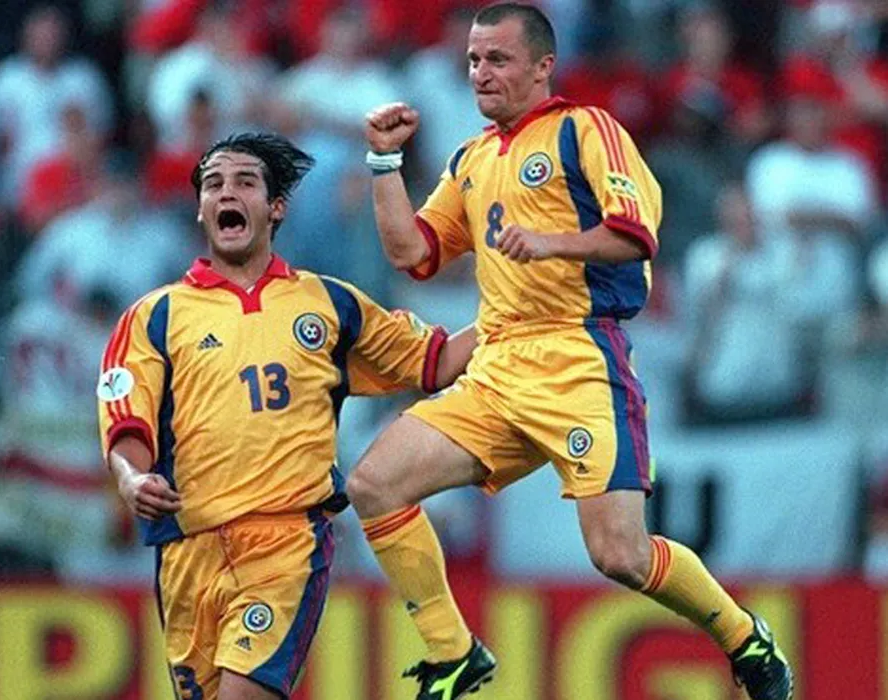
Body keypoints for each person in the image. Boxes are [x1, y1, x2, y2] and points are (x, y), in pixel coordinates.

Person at [349, 4, 793, 700]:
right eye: (473, 60)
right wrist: (383, 161)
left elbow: (635, 235)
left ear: (542, 66)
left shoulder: (586, 130)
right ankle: (453, 650)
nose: (480, 73)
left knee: (620, 554)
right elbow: (415, 254)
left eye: (497, 59)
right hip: (497, 366)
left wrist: (551, 241)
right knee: (374, 483)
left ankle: (744, 637)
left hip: (580, 358)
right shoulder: (471, 158)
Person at [96, 132, 477, 700]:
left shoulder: (328, 303)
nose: (228, 192)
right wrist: (131, 479)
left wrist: (514, 312)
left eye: (245, 182)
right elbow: (130, 421)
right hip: (187, 551)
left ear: (275, 207)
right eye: (214, 184)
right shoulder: (155, 317)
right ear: (201, 209)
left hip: (286, 543)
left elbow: (435, 360)